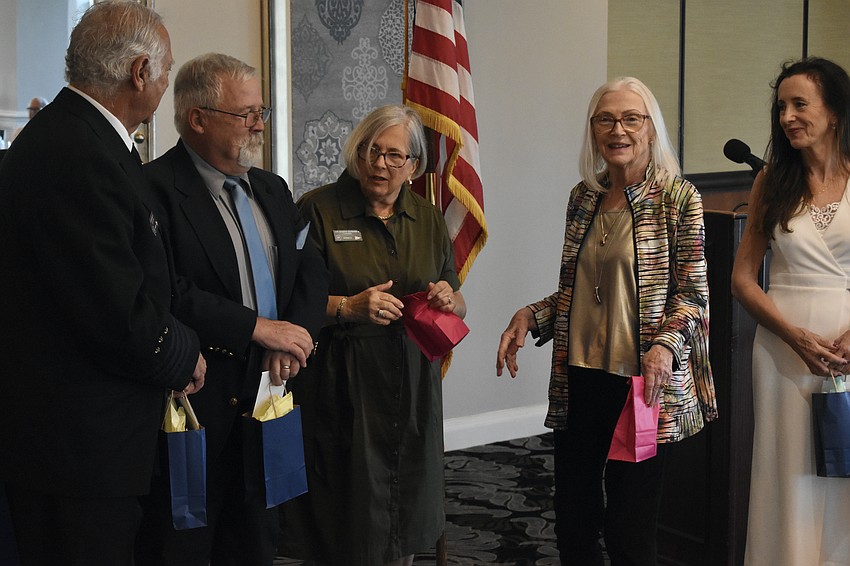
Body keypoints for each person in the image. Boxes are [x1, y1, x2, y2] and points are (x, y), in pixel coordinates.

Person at [0, 2, 206, 565]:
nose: (164, 84)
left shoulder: (74, 137)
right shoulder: (78, 153)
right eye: (164, 73)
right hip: (77, 450)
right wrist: (185, 353)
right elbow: (115, 310)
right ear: (140, 71)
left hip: (80, 440)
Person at [496, 77, 717, 566]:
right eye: (605, 119)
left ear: (651, 129)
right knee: (573, 522)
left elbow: (693, 295)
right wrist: (531, 315)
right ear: (593, 131)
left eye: (630, 118)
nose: (618, 129)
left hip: (640, 387)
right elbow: (579, 293)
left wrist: (664, 347)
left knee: (629, 530)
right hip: (579, 380)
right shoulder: (584, 197)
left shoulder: (678, 199)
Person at [134, 53, 329, 566]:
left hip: (271, 391)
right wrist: (259, 330)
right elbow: (168, 292)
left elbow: (308, 269)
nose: (259, 124)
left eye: (260, 110)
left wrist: (295, 340)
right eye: (246, 114)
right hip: (198, 399)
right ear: (198, 118)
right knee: (187, 544)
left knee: (258, 541)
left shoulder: (272, 187)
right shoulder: (151, 190)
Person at [278, 104, 467, 566]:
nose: (379, 164)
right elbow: (287, 304)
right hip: (342, 381)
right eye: (369, 151)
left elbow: (458, 299)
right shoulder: (317, 210)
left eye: (393, 156)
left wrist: (448, 298)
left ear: (414, 166)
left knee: (404, 510)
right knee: (344, 514)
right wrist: (347, 307)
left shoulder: (427, 218)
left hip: (413, 381)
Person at [731, 57, 850, 566]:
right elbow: (741, 280)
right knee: (788, 471)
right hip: (782, 351)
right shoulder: (772, 182)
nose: (787, 116)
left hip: (846, 351)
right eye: (781, 106)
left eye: (800, 104)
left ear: (836, 112)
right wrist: (794, 335)